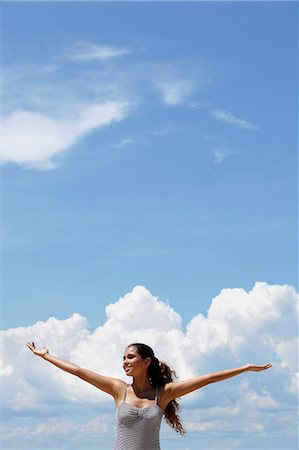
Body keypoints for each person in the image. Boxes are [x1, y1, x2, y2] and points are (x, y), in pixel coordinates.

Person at [26, 341, 272, 450]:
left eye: (130, 357)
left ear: (147, 362)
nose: (124, 362)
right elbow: (80, 372)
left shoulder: (162, 394)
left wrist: (245, 368)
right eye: (123, 358)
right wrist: (46, 356)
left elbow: (208, 378)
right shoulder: (118, 389)